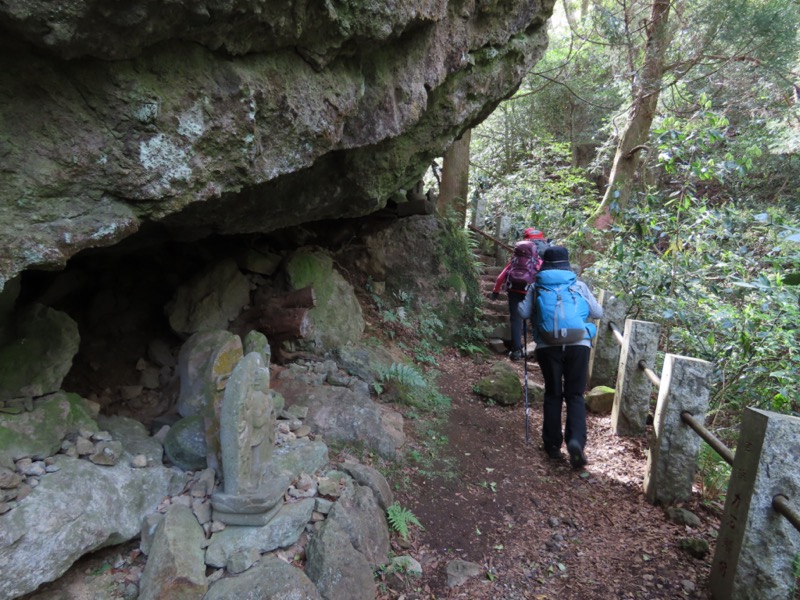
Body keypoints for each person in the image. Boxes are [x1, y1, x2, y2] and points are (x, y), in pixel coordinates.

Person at [519, 246, 603, 469]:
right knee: (575, 395)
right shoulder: (578, 285)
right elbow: (598, 313)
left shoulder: (536, 286)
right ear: (567, 264)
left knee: (553, 394)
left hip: (548, 346)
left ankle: (553, 446)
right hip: (579, 345)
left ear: (544, 263)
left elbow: (523, 313)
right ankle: (576, 441)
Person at [490, 228, 545, 361]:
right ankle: (540, 351)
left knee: (516, 320)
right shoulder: (538, 262)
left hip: (514, 291)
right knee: (535, 320)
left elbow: (501, 276)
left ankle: (516, 351)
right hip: (531, 293)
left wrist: (495, 291)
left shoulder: (515, 261)